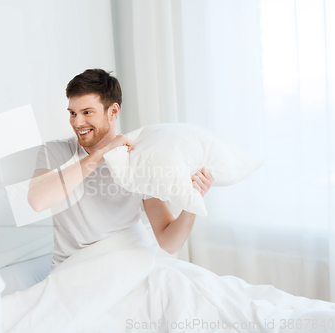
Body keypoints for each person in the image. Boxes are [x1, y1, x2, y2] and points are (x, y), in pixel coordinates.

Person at [28, 68, 214, 269]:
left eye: (87, 112)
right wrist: (101, 155)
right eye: (72, 113)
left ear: (113, 111)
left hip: (127, 266)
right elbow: (38, 201)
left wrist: (192, 201)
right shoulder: (54, 152)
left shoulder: (139, 158)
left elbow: (169, 243)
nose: (77, 122)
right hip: (76, 270)